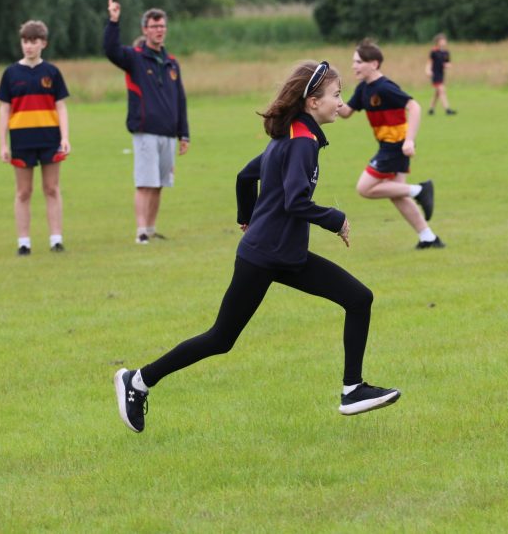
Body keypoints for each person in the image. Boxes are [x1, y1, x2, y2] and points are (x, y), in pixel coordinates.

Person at [113, 61, 401, 433]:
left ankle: (352, 389)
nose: (341, 103)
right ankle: (137, 380)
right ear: (312, 101)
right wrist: (335, 218)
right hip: (266, 256)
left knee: (358, 298)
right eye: (336, 95)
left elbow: (246, 176)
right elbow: (295, 201)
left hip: (283, 254)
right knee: (221, 338)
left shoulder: (293, 133)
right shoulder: (301, 141)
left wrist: (246, 218)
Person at [338, 39, 442, 249]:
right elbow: (346, 112)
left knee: (364, 188)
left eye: (358, 62)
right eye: (353, 62)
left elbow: (414, 107)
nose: (353, 66)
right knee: (397, 194)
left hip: (395, 146)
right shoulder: (363, 89)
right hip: (387, 146)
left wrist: (409, 140)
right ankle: (429, 238)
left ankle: (420, 190)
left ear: (374, 64)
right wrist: (330, 95)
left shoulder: (385, 87)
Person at [104, 0, 190, 245]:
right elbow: (111, 50)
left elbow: (180, 99)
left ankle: (151, 229)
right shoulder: (135, 58)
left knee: (160, 183)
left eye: (162, 26)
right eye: (154, 26)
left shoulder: (171, 62)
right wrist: (113, 21)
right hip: (146, 131)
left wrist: (184, 133)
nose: (159, 30)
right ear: (145, 30)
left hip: (168, 132)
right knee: (145, 183)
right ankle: (141, 231)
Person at [0, 21, 70, 255]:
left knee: (51, 188)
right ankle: (24, 243)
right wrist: (3, 143)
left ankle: (56, 240)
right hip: (21, 140)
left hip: (50, 138)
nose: (28, 46)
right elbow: (4, 110)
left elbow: (61, 106)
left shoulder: (52, 72)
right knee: (23, 192)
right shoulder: (10, 73)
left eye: (33, 41)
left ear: (43, 43)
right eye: (25, 41)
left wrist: (65, 137)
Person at [426, 33, 456, 116]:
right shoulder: (434, 52)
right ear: (437, 42)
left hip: (441, 74)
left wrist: (448, 65)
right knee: (442, 90)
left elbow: (448, 63)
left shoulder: (446, 52)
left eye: (444, 40)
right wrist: (428, 70)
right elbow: (429, 62)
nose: (444, 42)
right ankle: (447, 109)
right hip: (435, 74)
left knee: (437, 92)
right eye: (442, 41)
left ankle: (431, 109)